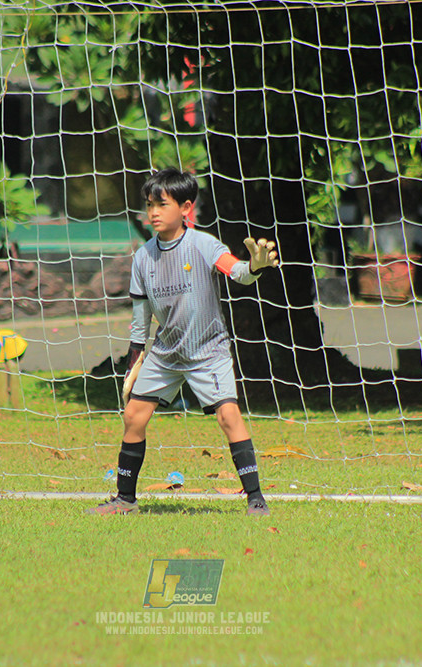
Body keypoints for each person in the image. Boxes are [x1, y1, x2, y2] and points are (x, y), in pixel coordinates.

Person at [87, 167, 279, 518]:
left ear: (186, 207)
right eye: (150, 205)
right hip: (165, 353)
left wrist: (254, 267)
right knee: (133, 416)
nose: (154, 212)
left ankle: (256, 499)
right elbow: (140, 315)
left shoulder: (203, 244)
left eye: (162, 204)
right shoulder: (144, 256)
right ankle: (125, 499)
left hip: (208, 351)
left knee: (228, 416)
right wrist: (135, 359)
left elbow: (235, 271)